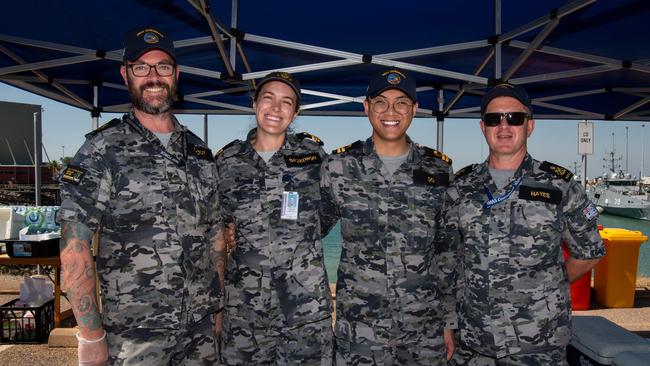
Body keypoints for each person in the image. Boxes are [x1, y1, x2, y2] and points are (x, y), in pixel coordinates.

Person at [58, 27, 224, 365]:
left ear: (175, 74)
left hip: (200, 333)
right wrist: (90, 334)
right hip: (134, 337)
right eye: (141, 67)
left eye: (163, 67)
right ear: (125, 74)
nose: (153, 77)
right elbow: (75, 245)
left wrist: (217, 308)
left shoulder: (199, 153)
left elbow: (215, 237)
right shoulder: (101, 150)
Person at [448, 82, 606, 365]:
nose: (504, 126)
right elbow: (449, 257)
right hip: (473, 342)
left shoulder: (560, 185)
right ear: (483, 127)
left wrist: (545, 286)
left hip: (538, 342)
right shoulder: (462, 185)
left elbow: (589, 252)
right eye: (494, 119)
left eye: (515, 118)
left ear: (529, 126)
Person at [320, 68, 458, 365]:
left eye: (401, 103)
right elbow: (307, 233)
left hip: (423, 330)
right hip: (359, 330)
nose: (391, 111)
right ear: (367, 107)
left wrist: (449, 321)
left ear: (415, 109)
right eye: (381, 102)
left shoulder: (438, 171)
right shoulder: (338, 167)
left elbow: (447, 252)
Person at [215, 71, 334, 365]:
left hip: (304, 308)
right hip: (244, 310)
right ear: (255, 103)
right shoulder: (227, 162)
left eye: (286, 102)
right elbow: (216, 225)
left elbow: (329, 213)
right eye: (268, 98)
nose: (276, 109)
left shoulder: (314, 157)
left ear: (295, 113)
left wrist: (296, 239)